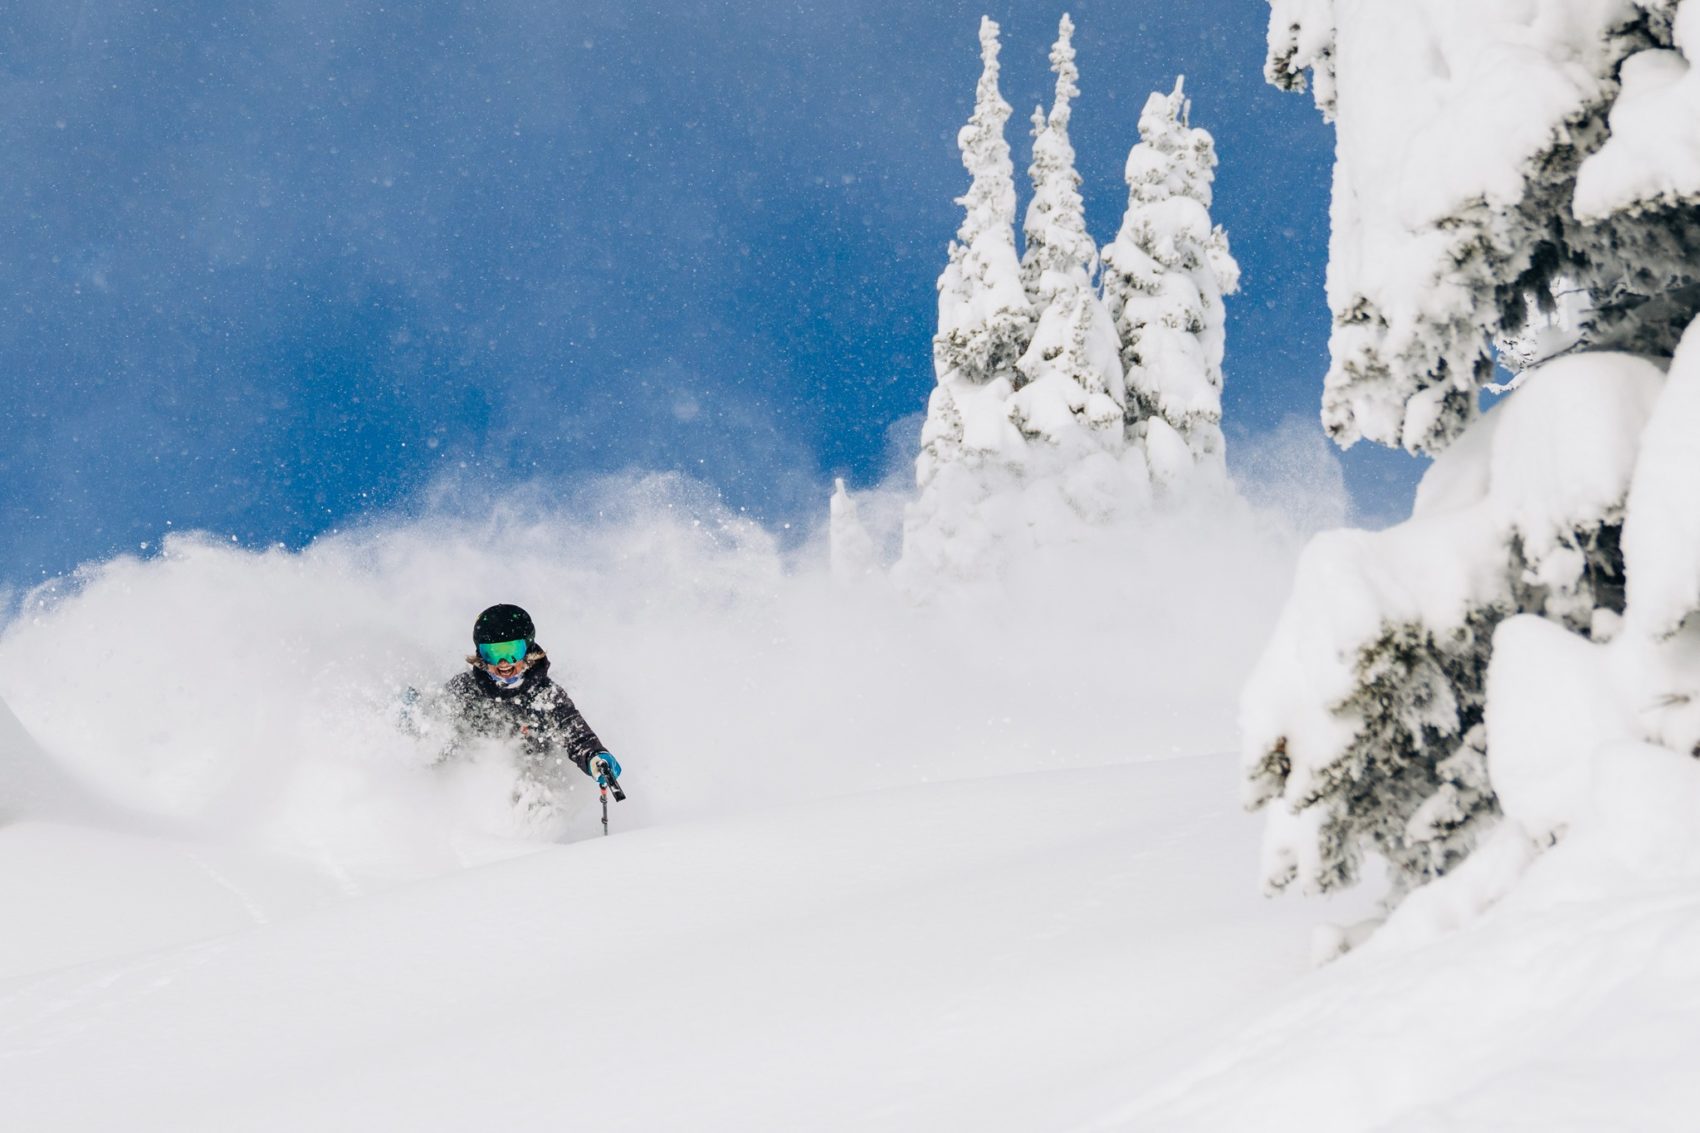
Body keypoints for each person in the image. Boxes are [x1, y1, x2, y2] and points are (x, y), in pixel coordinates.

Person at [422, 603, 622, 817]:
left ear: (528, 650)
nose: (503, 663)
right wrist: (416, 722)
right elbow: (434, 724)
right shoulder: (466, 690)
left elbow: (574, 732)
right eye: (492, 653)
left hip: (535, 774)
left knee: (534, 797)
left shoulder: (545, 694)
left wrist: (594, 756)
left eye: (511, 652)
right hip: (474, 780)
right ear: (480, 655)